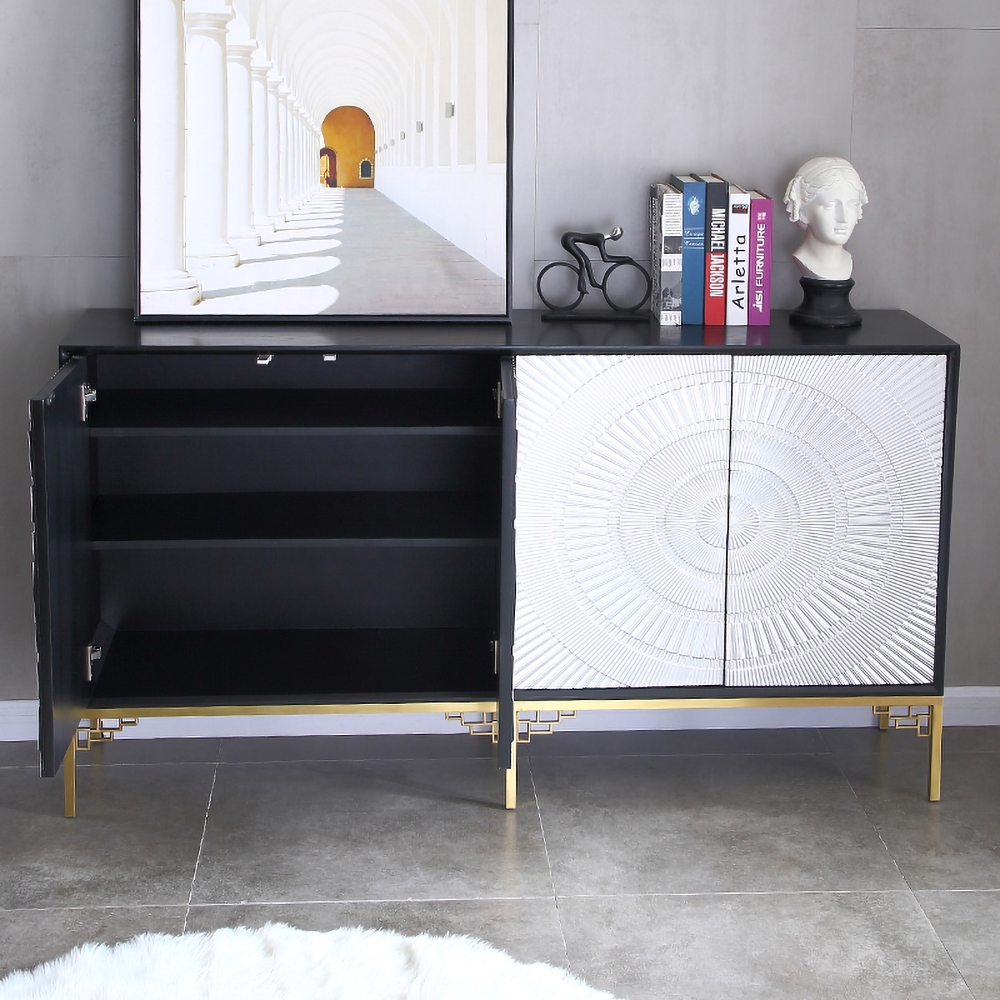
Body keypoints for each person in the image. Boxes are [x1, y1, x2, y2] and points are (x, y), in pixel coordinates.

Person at [783, 157, 868, 281]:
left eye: (852, 205)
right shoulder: (803, 258)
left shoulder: (848, 261)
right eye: (831, 206)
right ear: (803, 212)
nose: (843, 218)